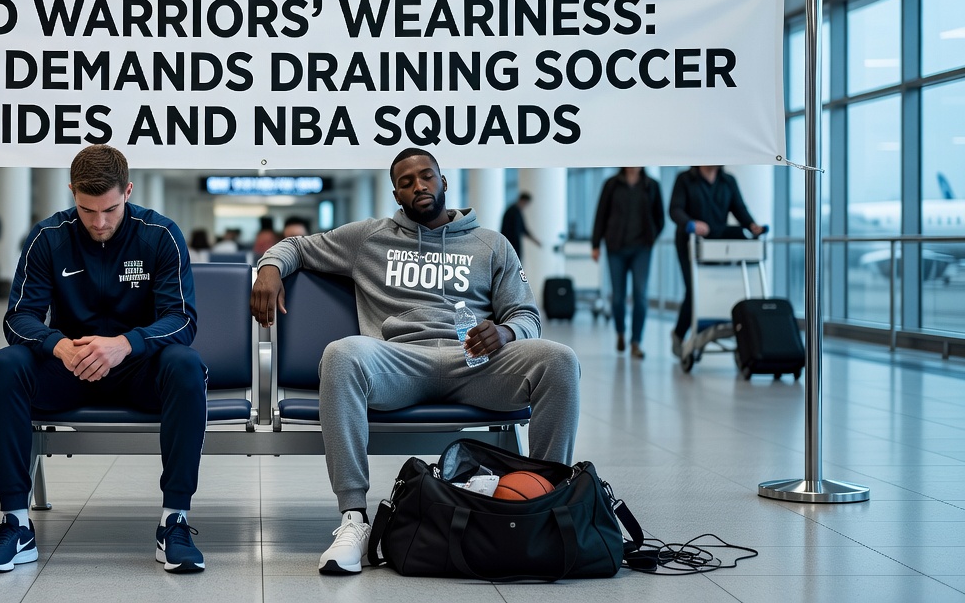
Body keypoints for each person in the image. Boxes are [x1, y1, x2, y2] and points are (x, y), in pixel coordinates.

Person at [250, 147, 580, 576]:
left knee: (558, 360)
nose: (418, 186)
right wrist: (270, 269)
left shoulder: (491, 244)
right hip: (399, 362)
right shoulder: (370, 237)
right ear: (396, 193)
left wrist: (505, 332)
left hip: (474, 362)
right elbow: (297, 245)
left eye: (426, 176)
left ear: (443, 181)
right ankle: (354, 519)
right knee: (341, 354)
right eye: (406, 182)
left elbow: (527, 316)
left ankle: (546, 504)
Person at [0, 144, 206, 575]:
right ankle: (15, 523)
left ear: (128, 191)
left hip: (138, 369)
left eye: (111, 210)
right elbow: (19, 317)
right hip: (71, 365)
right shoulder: (48, 237)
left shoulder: (160, 235)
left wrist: (125, 343)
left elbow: (182, 319)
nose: (99, 223)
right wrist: (57, 345)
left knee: (186, 365)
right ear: (71, 194)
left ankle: (174, 521)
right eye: (86, 210)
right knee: (6, 364)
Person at [668, 165, 765, 357]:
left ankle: (722, 324)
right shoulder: (685, 179)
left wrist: (752, 225)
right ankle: (679, 333)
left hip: (718, 243)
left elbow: (739, 208)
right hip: (691, 243)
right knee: (694, 289)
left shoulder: (728, 181)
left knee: (717, 286)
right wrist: (691, 223)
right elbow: (674, 209)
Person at [590, 168, 665, 359]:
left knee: (640, 294)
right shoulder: (612, 184)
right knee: (618, 297)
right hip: (616, 248)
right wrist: (596, 244)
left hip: (641, 248)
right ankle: (621, 332)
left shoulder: (651, 185)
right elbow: (601, 214)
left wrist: (652, 238)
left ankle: (636, 342)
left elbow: (660, 218)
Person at [500, 192, 542, 259]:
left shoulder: (517, 211)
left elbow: (523, 229)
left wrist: (535, 240)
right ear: (523, 201)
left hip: (514, 244)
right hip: (510, 244)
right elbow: (507, 230)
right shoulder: (511, 211)